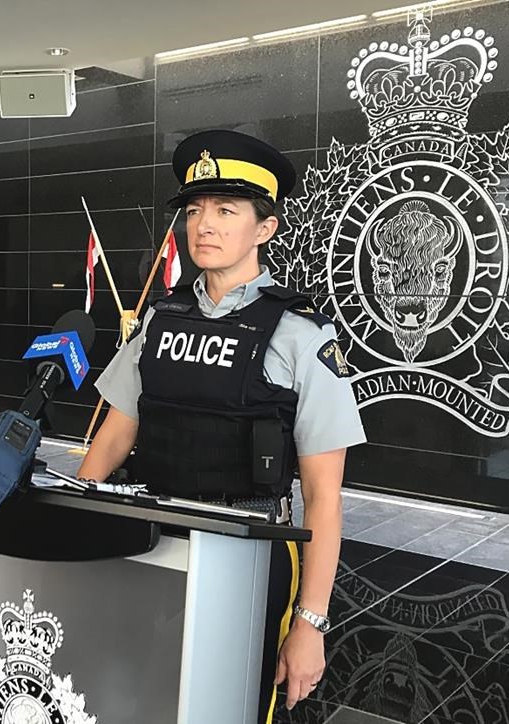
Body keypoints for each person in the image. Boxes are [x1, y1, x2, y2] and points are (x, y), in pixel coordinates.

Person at [76, 129, 366, 722]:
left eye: (225, 211)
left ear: (265, 228)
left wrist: (311, 623)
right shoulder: (160, 318)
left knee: (226, 705)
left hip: (245, 554)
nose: (203, 225)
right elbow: (114, 435)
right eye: (194, 210)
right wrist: (72, 528)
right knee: (135, 695)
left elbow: (323, 497)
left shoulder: (300, 336)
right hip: (148, 541)